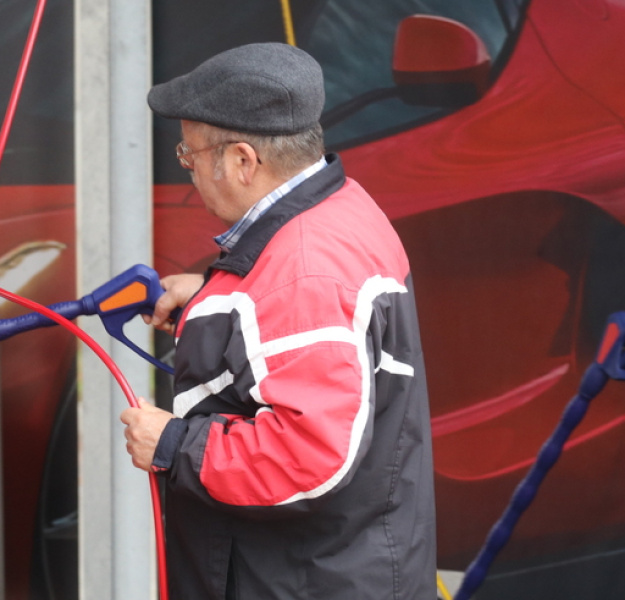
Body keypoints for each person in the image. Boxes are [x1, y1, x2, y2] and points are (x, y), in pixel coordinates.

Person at [120, 43, 436, 599]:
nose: (189, 166)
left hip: (299, 581)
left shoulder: (305, 274)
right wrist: (217, 294)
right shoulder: (341, 207)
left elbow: (309, 456)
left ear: (243, 160)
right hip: (343, 565)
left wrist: (172, 444)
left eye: (190, 152)